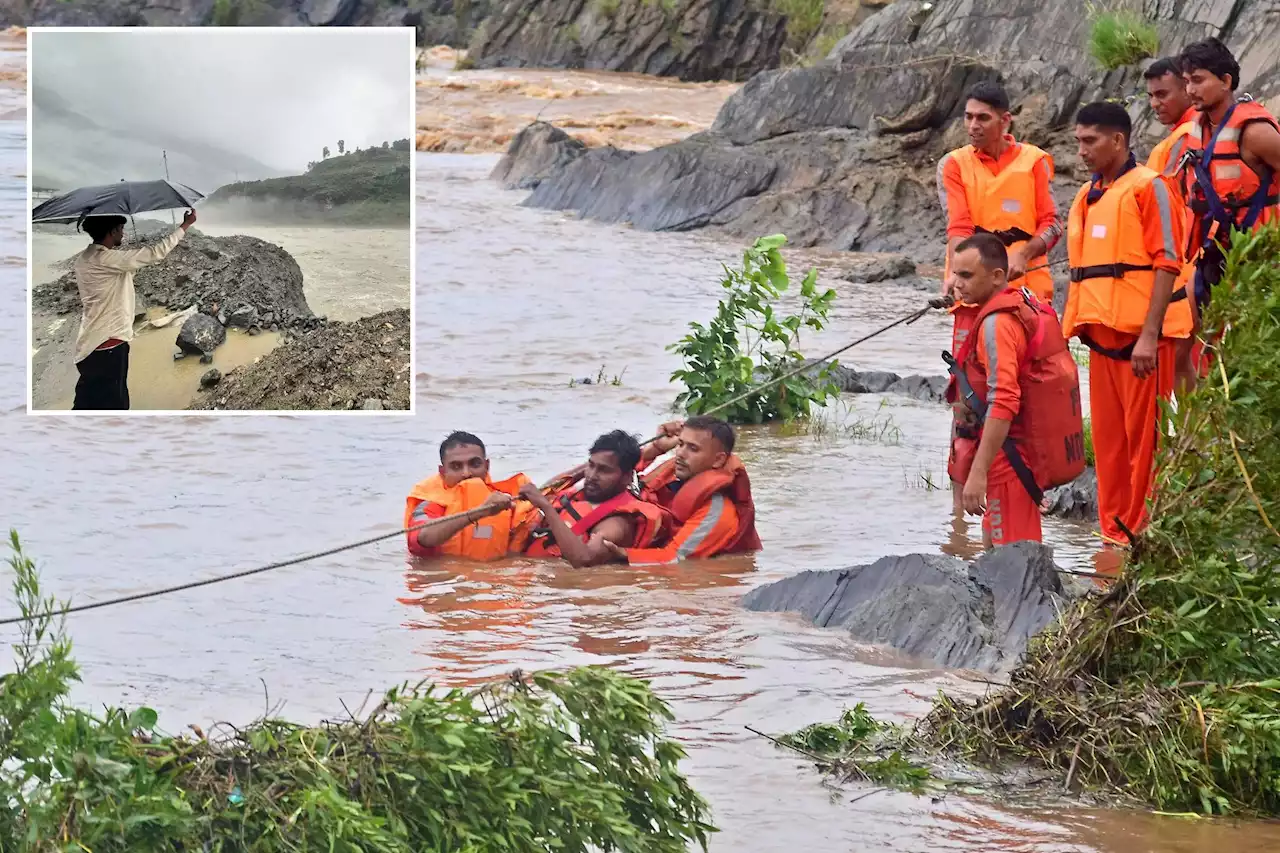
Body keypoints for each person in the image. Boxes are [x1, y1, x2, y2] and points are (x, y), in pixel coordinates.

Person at [1062, 102, 1192, 545]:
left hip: (1142, 346)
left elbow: (1168, 261)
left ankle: (1141, 538)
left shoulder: (1149, 187)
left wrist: (1150, 336)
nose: (1081, 151)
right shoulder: (1087, 195)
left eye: (1090, 141)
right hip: (1101, 344)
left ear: (1118, 141)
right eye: (1078, 141)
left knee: (1146, 448)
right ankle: (1111, 540)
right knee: (1112, 448)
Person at [945, 234, 1083, 549]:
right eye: (955, 274)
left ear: (996, 277)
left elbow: (1004, 401)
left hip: (1009, 459)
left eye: (966, 276)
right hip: (1008, 454)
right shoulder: (1016, 303)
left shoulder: (998, 325)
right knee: (994, 545)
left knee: (1014, 559)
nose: (957, 284)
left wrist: (977, 473)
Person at [1177, 37, 1280, 368]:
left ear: (1225, 81)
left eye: (1198, 79)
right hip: (1212, 258)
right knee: (1189, 351)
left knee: (1250, 357)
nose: (1191, 89)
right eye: (1186, 81)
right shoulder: (1198, 131)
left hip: (1257, 263)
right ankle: (1199, 419)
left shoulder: (1255, 132)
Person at [937, 80, 1062, 305]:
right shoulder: (953, 164)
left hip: (1027, 288)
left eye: (983, 118)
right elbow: (959, 226)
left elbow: (1052, 225)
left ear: (1005, 120)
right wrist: (958, 274)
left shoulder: (1035, 161)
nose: (973, 125)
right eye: (968, 117)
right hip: (973, 288)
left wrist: (1023, 255)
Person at [72, 210, 196, 409]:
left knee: (87, 403)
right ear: (111, 231)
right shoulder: (107, 260)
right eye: (121, 229)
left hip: (89, 346)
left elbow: (114, 279)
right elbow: (156, 253)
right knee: (115, 406)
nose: (123, 234)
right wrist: (185, 226)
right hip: (109, 346)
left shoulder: (85, 259)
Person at [601, 416, 762, 564]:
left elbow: (675, 559)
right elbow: (620, 474)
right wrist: (656, 448)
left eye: (693, 448)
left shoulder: (718, 512)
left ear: (718, 460)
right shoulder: (676, 473)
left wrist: (622, 554)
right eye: (680, 444)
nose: (680, 454)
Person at [517, 430, 670, 568]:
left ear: (627, 477)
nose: (591, 476)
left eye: (604, 470)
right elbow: (550, 488)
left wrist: (546, 507)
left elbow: (584, 559)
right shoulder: (583, 495)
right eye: (591, 466)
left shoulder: (617, 523)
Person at [1143, 56, 1200, 389]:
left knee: (1180, 354)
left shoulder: (1186, 138)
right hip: (1188, 257)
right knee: (1184, 357)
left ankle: (1198, 434)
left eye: (1163, 94)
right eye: (1151, 95)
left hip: (1187, 261)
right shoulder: (1186, 135)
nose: (1155, 103)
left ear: (1186, 88)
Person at [404, 431, 535, 561]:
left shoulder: (509, 501)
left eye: (475, 464)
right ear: (443, 472)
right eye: (456, 466)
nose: (466, 473)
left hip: (493, 577)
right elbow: (421, 537)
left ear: (487, 466)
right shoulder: (430, 503)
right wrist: (478, 512)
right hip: (447, 581)